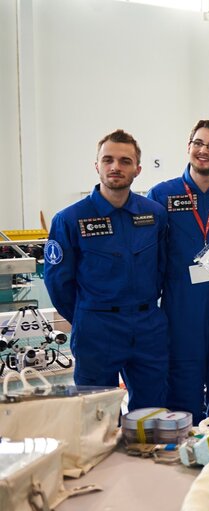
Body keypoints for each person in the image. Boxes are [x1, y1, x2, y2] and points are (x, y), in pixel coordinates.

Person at [44, 129, 169, 410]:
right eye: (108, 159)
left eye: (125, 161)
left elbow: (162, 268)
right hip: (96, 328)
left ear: (137, 169)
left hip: (148, 326)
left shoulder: (154, 214)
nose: (116, 167)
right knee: (97, 416)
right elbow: (58, 283)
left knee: (152, 412)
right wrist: (86, 317)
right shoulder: (70, 219)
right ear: (97, 165)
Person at [146, 120, 209, 423]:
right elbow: (152, 254)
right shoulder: (161, 195)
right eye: (198, 143)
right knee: (182, 381)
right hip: (182, 302)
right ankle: (182, 456)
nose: (204, 151)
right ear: (189, 147)